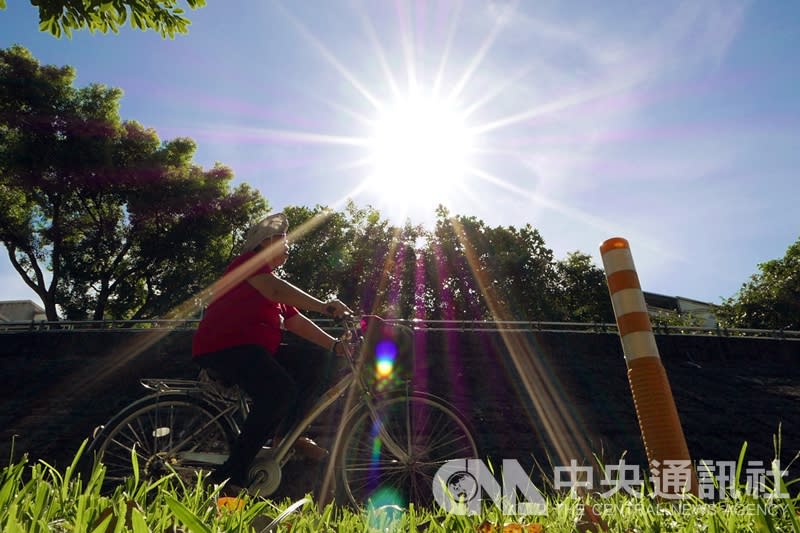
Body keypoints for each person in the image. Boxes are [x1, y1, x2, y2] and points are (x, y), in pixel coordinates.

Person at [192, 212, 352, 489]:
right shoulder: (248, 265)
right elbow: (278, 292)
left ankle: (286, 435)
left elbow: (295, 321)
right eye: (282, 238)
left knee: (316, 361)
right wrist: (326, 305)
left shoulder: (269, 281)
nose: (288, 244)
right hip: (225, 346)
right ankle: (230, 476)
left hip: (253, 349)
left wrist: (335, 346)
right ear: (264, 242)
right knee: (278, 392)